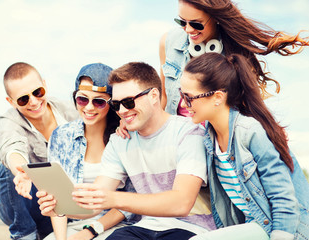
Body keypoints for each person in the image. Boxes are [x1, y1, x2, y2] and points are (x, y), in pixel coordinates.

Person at [37, 62, 217, 240]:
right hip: (144, 227)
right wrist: (60, 207)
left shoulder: (187, 132)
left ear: (154, 95)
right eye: (116, 104)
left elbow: (182, 203)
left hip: (191, 228)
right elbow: (95, 201)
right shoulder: (119, 141)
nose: (122, 110)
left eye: (129, 102)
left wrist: (113, 199)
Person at [179, 52, 309, 240]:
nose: (184, 103)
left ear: (217, 97)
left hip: (281, 229)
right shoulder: (208, 137)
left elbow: (283, 198)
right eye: (181, 94)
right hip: (252, 226)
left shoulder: (250, 132)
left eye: (189, 97)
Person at [160, 0, 309, 115]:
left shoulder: (235, 54)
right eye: (181, 22)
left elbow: (247, 105)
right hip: (177, 140)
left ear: (215, 18)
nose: (188, 29)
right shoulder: (168, 42)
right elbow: (163, 98)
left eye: (196, 24)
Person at [43, 63, 139, 240]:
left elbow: (132, 198)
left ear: (111, 103)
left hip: (117, 225)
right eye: (82, 99)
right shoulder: (61, 136)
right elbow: (57, 198)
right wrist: (61, 238)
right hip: (74, 223)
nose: (88, 107)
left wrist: (90, 232)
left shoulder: (125, 137)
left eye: (99, 101)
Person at [0, 62, 79, 240]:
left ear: (45, 85)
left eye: (37, 92)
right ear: (11, 102)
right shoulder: (9, 120)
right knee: (9, 170)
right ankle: (24, 234)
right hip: (24, 201)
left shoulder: (71, 111)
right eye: (23, 99)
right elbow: (10, 146)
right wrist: (22, 171)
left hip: (58, 204)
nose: (33, 101)